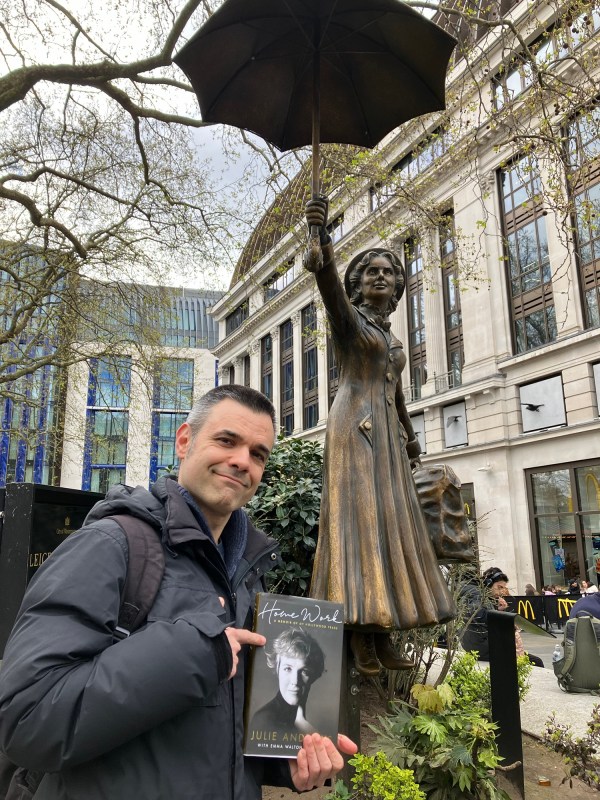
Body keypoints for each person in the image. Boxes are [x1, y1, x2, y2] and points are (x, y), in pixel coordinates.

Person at [0, 385, 356, 799]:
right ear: (184, 440)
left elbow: (214, 726)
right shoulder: (110, 545)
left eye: (258, 453)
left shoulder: (245, 570)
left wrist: (283, 759)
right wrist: (197, 653)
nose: (242, 461)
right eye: (227, 441)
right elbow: (27, 720)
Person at [304, 198, 455, 676]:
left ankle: (382, 626)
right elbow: (328, 292)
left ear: (398, 286)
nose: (381, 277)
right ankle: (356, 633)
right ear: (357, 283)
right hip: (353, 428)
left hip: (387, 434)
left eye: (389, 272)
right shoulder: (350, 322)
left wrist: (411, 438)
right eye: (371, 272)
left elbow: (397, 394)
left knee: (389, 525)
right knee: (359, 522)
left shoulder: (391, 339)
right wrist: (322, 245)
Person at [249, 627, 324, 738]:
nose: (295, 681)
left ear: (314, 675)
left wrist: (302, 723)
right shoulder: (264, 720)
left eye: (304, 671)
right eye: (288, 669)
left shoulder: (298, 718)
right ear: (277, 669)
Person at [460, 567, 543, 666]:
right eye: (499, 587)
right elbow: (478, 615)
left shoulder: (479, 593)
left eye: (503, 588)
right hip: (481, 646)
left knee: (531, 658)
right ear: (488, 583)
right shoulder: (476, 593)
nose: (501, 592)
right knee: (536, 662)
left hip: (478, 643)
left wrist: (498, 610)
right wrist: (505, 620)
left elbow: (481, 615)